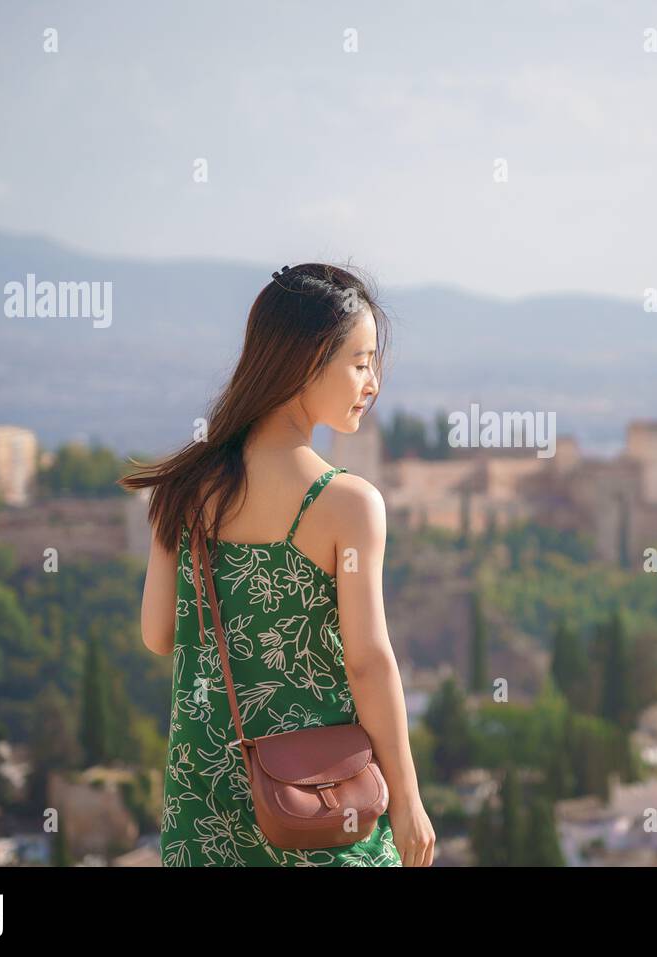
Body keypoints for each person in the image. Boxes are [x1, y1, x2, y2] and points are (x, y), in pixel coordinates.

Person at [122, 263, 435, 866]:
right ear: (305, 360)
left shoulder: (180, 489)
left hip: (203, 808)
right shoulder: (347, 504)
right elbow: (368, 662)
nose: (372, 382)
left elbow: (160, 636)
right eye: (360, 361)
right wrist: (407, 799)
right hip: (320, 804)